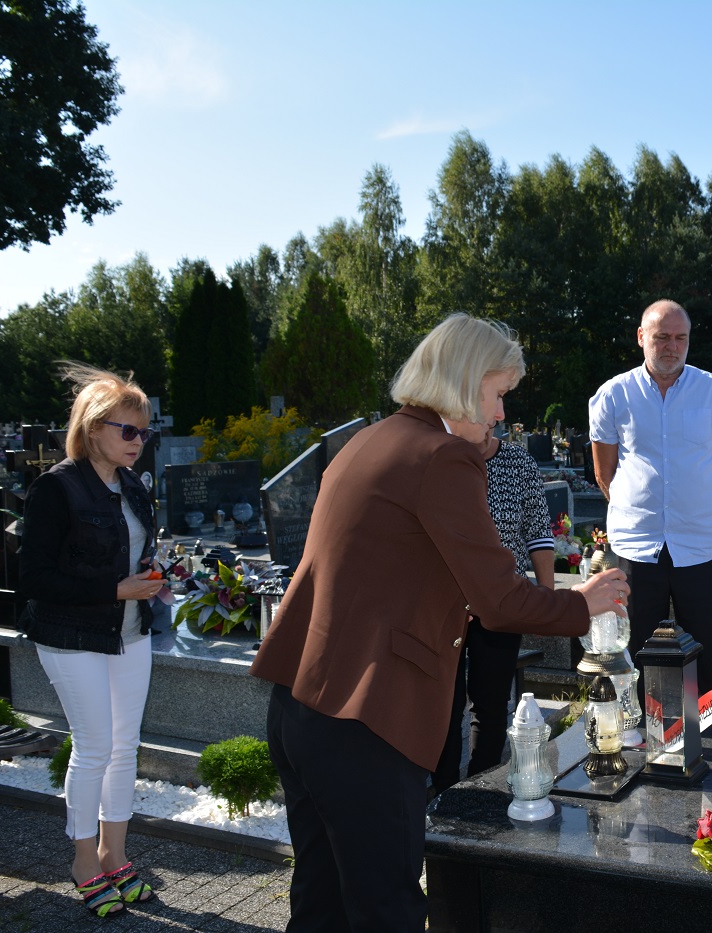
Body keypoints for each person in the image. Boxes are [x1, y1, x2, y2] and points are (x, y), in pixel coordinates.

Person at [251, 313, 628, 932]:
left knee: (321, 903)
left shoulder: (371, 440)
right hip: (366, 717)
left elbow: (398, 568)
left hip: (301, 704)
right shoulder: (442, 457)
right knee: (389, 911)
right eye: (498, 394)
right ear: (463, 380)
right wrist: (581, 603)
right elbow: (500, 600)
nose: (502, 414)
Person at [16, 364, 163, 918]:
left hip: (129, 631)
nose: (138, 442)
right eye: (127, 430)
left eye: (144, 432)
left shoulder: (132, 486)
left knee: (124, 747)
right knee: (95, 746)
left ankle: (114, 855)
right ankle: (83, 862)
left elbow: (133, 553)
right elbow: (33, 579)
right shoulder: (56, 488)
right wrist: (115, 587)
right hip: (71, 635)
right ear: (93, 428)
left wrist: (152, 579)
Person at [589, 299, 712, 696]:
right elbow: (604, 474)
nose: (672, 346)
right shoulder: (613, 395)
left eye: (680, 338)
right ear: (641, 337)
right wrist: (636, 510)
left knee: (708, 654)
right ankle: (635, 726)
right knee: (632, 655)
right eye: (662, 337)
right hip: (636, 547)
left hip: (699, 546)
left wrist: (697, 508)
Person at [432, 432, 554, 792]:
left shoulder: (518, 463)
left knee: (491, 703)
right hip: (445, 602)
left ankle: (479, 790)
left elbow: (537, 531)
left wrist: (546, 600)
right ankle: (444, 792)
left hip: (502, 599)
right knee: (445, 702)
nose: (491, 420)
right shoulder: (438, 460)